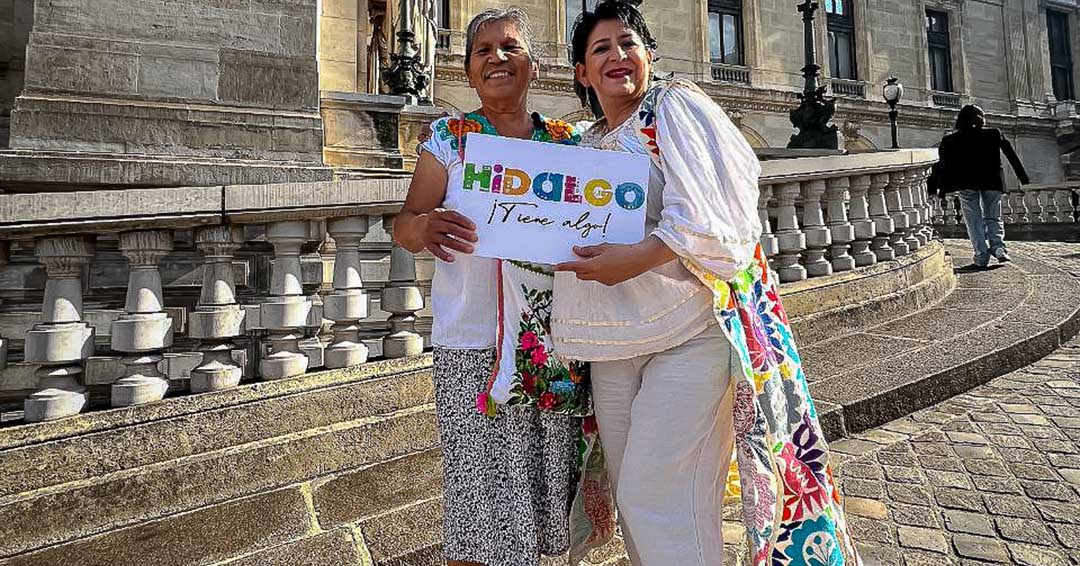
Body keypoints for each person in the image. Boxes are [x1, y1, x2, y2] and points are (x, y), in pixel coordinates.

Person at [552, 2, 859, 565]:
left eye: (628, 43)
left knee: (658, 496)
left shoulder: (673, 107)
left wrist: (638, 257)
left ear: (649, 55)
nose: (618, 56)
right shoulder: (584, 145)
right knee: (636, 500)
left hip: (692, 330)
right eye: (601, 48)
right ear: (582, 72)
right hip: (613, 344)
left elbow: (720, 215)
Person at [391, 8, 584, 566]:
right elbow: (405, 224)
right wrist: (424, 227)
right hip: (471, 343)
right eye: (484, 50)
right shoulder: (448, 139)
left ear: (535, 66)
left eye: (511, 47)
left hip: (551, 346)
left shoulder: (569, 144)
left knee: (540, 504)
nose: (497, 58)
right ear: (470, 70)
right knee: (475, 509)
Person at [934, 104, 1030, 268]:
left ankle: (981, 256)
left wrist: (940, 189)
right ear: (980, 118)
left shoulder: (950, 139)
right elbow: (1011, 155)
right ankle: (998, 248)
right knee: (993, 217)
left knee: (973, 221)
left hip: (966, 183)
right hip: (992, 181)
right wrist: (1024, 178)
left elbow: (942, 166)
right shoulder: (994, 133)